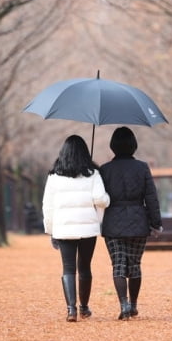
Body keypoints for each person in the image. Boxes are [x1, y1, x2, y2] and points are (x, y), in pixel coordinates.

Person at [42, 135, 110, 322]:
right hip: (88, 228)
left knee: (68, 268)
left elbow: (47, 206)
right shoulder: (92, 174)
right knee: (85, 267)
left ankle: (71, 309)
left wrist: (51, 230)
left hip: (63, 229)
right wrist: (107, 200)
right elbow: (101, 200)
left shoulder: (54, 176)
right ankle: (84, 307)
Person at [100, 127, 163, 320]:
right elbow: (151, 197)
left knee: (118, 264)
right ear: (133, 145)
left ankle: (124, 305)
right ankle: (134, 305)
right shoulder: (142, 167)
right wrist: (156, 223)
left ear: (113, 146)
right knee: (134, 264)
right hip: (138, 220)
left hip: (113, 222)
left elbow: (99, 198)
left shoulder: (104, 170)